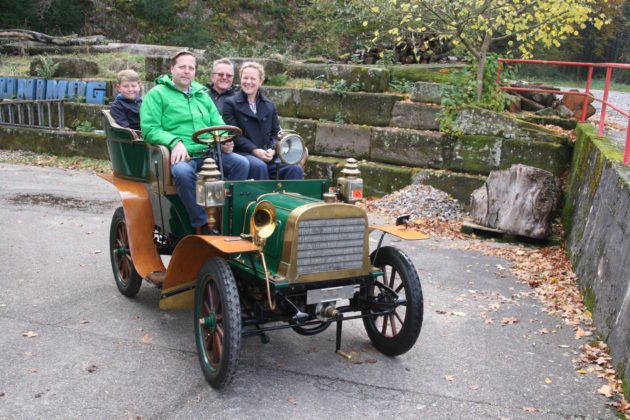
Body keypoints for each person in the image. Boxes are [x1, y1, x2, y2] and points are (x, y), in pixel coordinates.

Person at [140, 50, 249, 234]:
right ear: (172, 69)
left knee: (242, 164)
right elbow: (150, 129)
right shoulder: (157, 94)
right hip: (182, 156)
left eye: (191, 68)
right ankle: (201, 223)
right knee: (182, 173)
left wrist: (225, 139)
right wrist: (175, 142)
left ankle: (230, 217)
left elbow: (218, 123)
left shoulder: (202, 95)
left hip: (209, 153)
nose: (187, 71)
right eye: (182, 67)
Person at [222, 61, 303, 180]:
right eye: (245, 78)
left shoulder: (269, 105)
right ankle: (264, 199)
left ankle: (291, 198)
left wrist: (272, 150)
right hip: (244, 153)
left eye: (253, 79)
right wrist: (255, 150)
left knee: (294, 168)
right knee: (259, 166)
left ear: (260, 81)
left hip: (267, 153)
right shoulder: (230, 103)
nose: (248, 82)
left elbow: (276, 133)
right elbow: (233, 134)